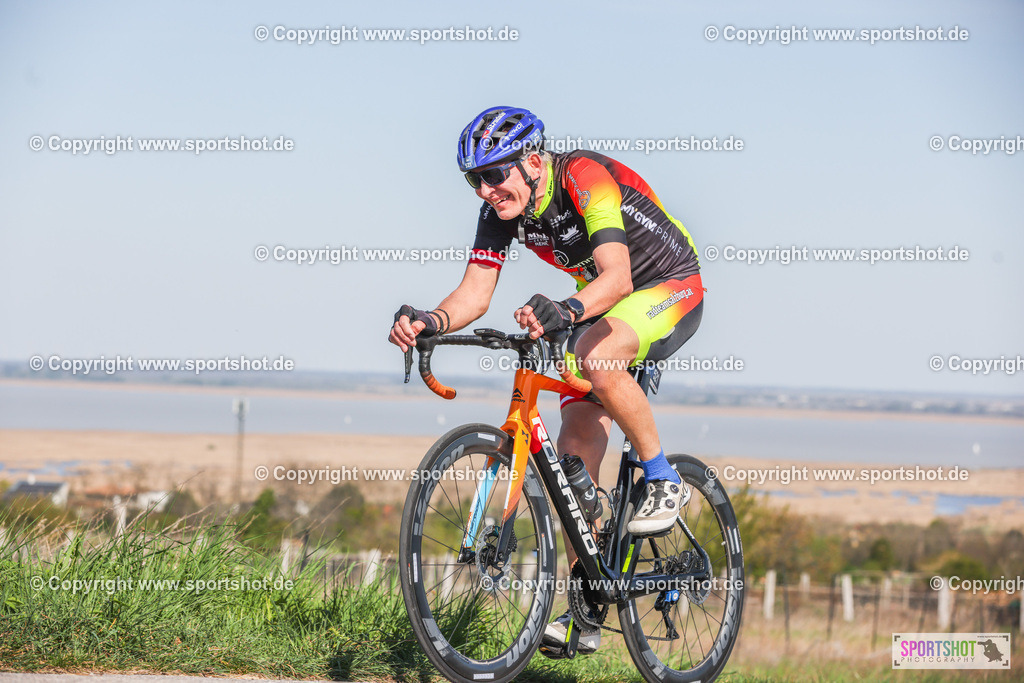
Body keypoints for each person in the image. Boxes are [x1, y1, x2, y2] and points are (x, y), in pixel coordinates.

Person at [388, 106, 704, 656]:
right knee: (572, 458)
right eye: (475, 179)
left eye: (495, 173)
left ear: (533, 162)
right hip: (604, 298)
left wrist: (566, 308)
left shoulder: (584, 178)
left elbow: (619, 277)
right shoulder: (502, 212)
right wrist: (431, 322)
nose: (486, 189)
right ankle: (589, 607)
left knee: (594, 356)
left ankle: (662, 478)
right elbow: (475, 293)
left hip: (666, 282)